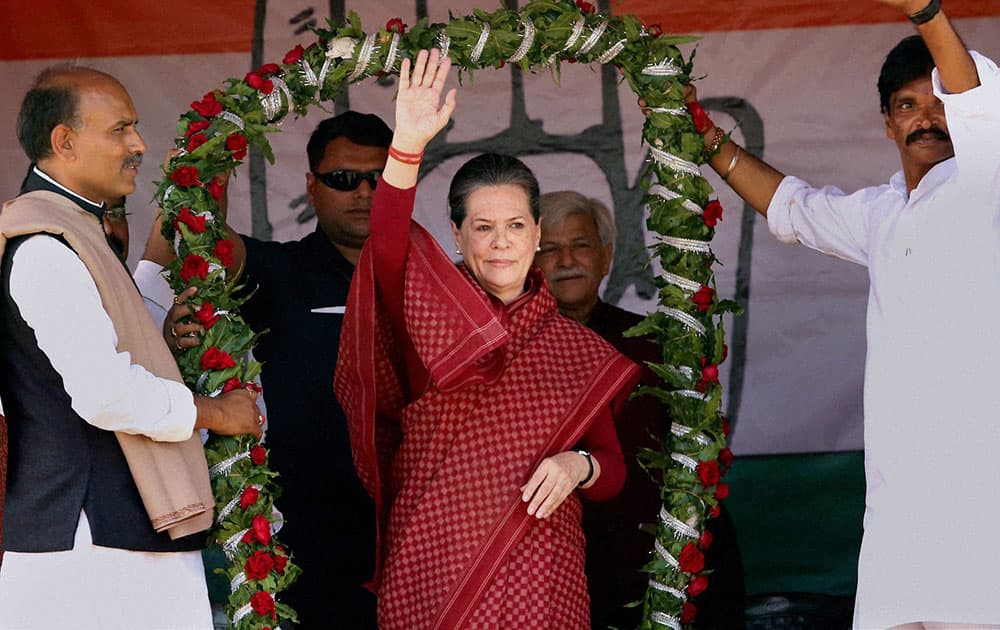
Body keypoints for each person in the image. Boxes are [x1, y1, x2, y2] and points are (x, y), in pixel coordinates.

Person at [682, 1, 1000, 627]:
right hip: (898, 510)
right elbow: (793, 206)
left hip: (979, 503)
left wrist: (926, 13)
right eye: (908, 105)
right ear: (886, 122)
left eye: (940, 105)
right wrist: (702, 135)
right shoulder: (881, 212)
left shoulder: (983, 186)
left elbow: (978, 102)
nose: (928, 119)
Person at [334, 49, 641, 629]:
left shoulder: (571, 349)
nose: (501, 244)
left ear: (537, 231)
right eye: (483, 227)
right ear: (456, 232)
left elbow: (612, 471)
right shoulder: (430, 319)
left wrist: (578, 467)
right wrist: (407, 147)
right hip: (434, 568)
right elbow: (389, 243)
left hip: (541, 576)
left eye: (516, 226)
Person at [0, 66, 263, 629]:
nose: (137, 144)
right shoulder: (46, 245)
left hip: (116, 535)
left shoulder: (78, 232)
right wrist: (217, 413)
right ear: (64, 142)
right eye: (120, 129)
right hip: (90, 541)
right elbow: (105, 394)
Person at [142, 111, 392, 627]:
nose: (364, 192)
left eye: (379, 178)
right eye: (344, 179)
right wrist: (203, 171)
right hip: (306, 536)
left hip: (416, 526)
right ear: (311, 186)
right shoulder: (281, 271)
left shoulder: (435, 281)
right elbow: (212, 245)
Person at [536, 191, 746, 629]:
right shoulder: (512, 351)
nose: (566, 260)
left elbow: (690, 464)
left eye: (580, 244)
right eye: (549, 249)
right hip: (545, 569)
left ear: (607, 256)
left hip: (641, 565)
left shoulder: (648, 346)